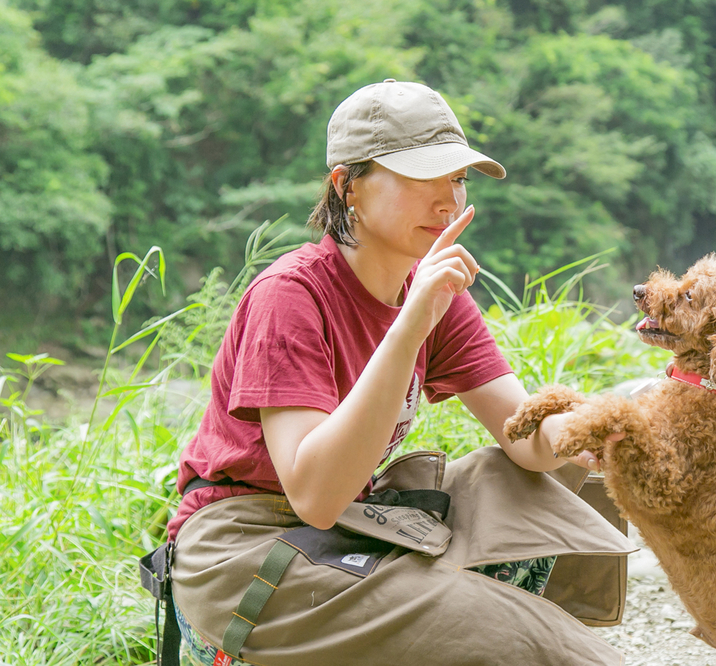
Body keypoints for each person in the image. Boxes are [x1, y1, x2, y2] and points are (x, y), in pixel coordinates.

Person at [164, 80, 634, 666]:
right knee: (517, 638)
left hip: (346, 525)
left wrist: (603, 431)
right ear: (347, 186)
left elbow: (527, 440)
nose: (447, 200)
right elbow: (314, 494)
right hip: (244, 548)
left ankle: (480, 614)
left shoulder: (433, 293)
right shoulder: (291, 296)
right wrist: (409, 326)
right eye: (420, 179)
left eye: (457, 179)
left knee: (531, 483)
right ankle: (503, 627)